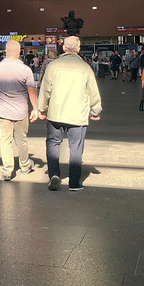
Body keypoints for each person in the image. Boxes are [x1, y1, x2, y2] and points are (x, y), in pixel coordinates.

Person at [37, 36, 102, 191]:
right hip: (77, 115)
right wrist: (95, 110)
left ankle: (54, 174)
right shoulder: (85, 67)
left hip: (56, 113)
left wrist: (42, 109)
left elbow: (45, 90)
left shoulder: (53, 66)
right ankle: (74, 183)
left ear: (64, 48)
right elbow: (93, 92)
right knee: (76, 148)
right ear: (78, 49)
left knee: (53, 143)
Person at [0, 40, 39, 181]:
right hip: (21, 111)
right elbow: (31, 90)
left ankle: (7, 170)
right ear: (20, 52)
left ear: (6, 51)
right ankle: (25, 166)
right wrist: (36, 109)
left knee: (5, 141)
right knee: (22, 140)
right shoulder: (25, 70)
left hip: (4, 112)